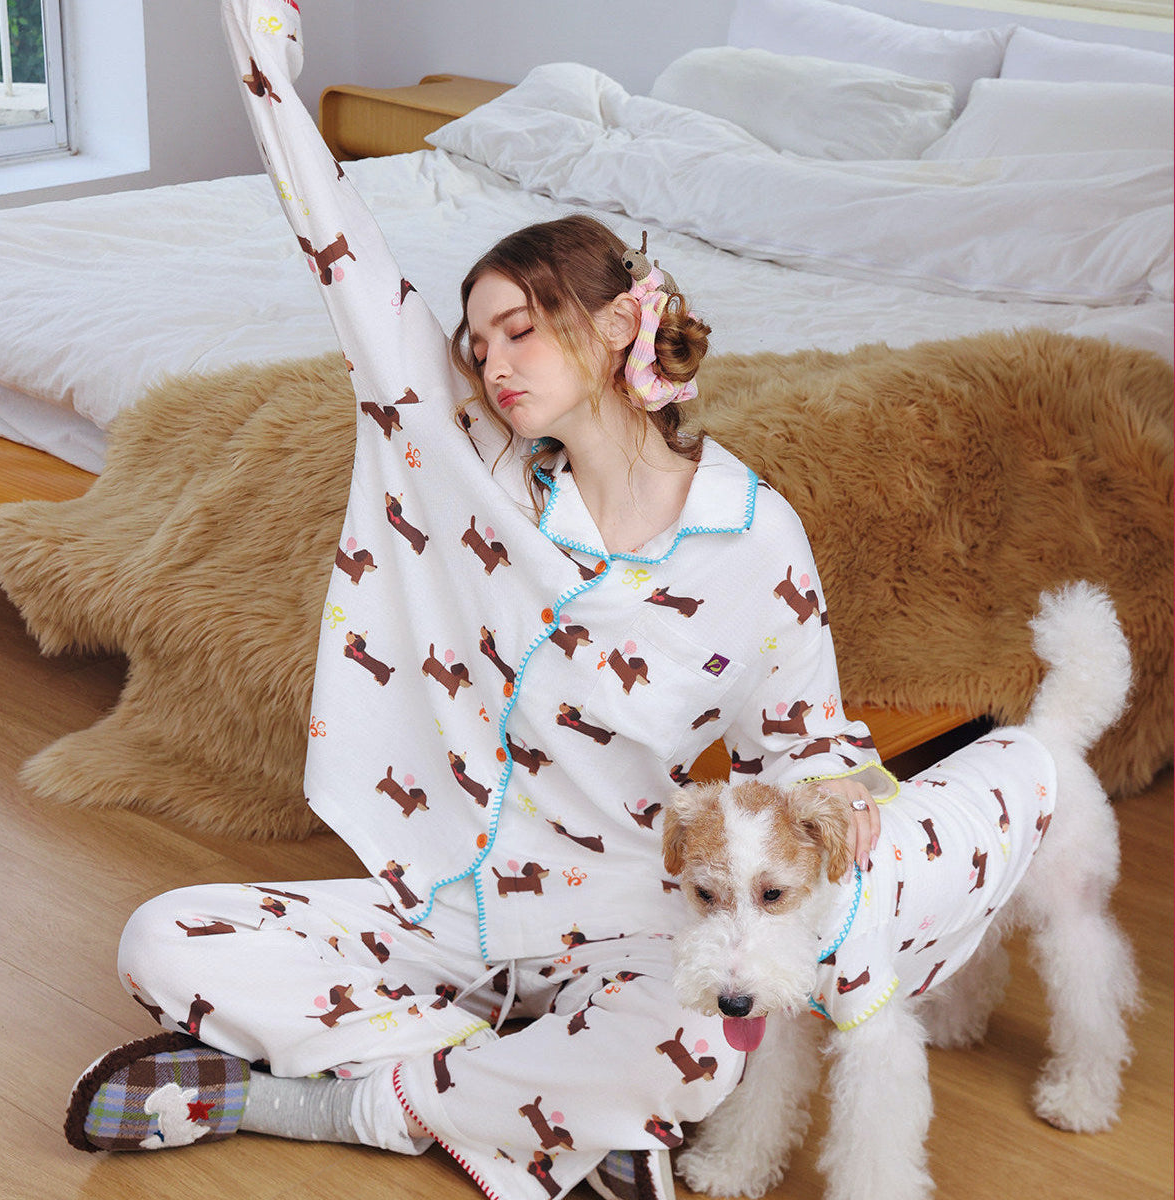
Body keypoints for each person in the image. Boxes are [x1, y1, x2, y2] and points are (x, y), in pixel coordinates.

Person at [62, 5, 897, 1199]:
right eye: (476, 338)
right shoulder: (478, 473)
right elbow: (344, 262)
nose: (493, 362)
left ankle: (326, 1102)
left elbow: (812, 748)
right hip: (446, 906)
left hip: (619, 916)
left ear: (620, 325)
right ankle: (544, 1111)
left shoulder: (752, 537)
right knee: (164, 937)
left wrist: (849, 793)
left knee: (704, 1043)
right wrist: (264, 70)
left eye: (522, 328)